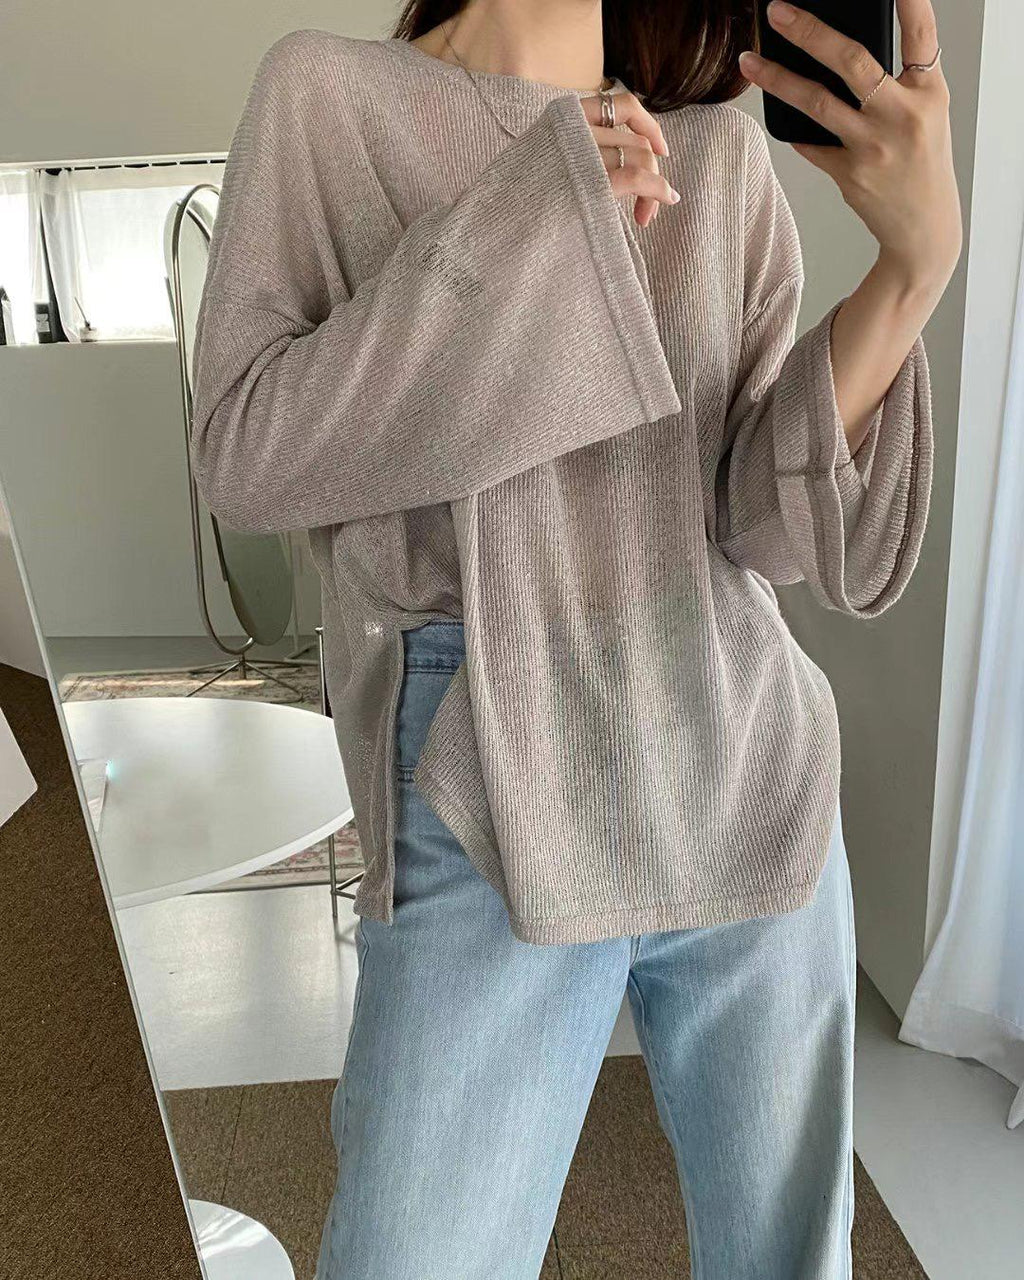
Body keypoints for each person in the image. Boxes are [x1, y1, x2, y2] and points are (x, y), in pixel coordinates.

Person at [188, 0, 960, 1275]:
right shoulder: (330, 98)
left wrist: (911, 272)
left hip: (739, 748)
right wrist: (526, 218)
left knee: (789, 1257)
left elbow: (758, 530)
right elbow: (247, 456)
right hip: (485, 760)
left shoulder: (713, 145)